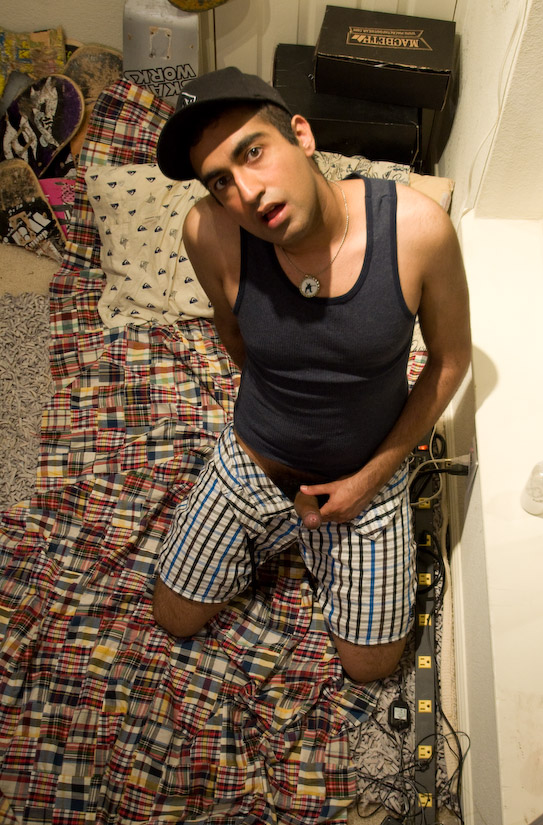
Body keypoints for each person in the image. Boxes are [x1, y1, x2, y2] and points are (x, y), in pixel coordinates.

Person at [152, 67, 471, 683]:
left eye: (253, 152)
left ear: (301, 135)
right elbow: (234, 335)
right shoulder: (208, 232)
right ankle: (277, 530)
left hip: (365, 471)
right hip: (256, 458)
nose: (247, 191)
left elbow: (450, 359)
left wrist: (371, 478)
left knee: (371, 667)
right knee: (174, 617)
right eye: (221, 180)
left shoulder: (416, 230)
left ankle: (318, 538)